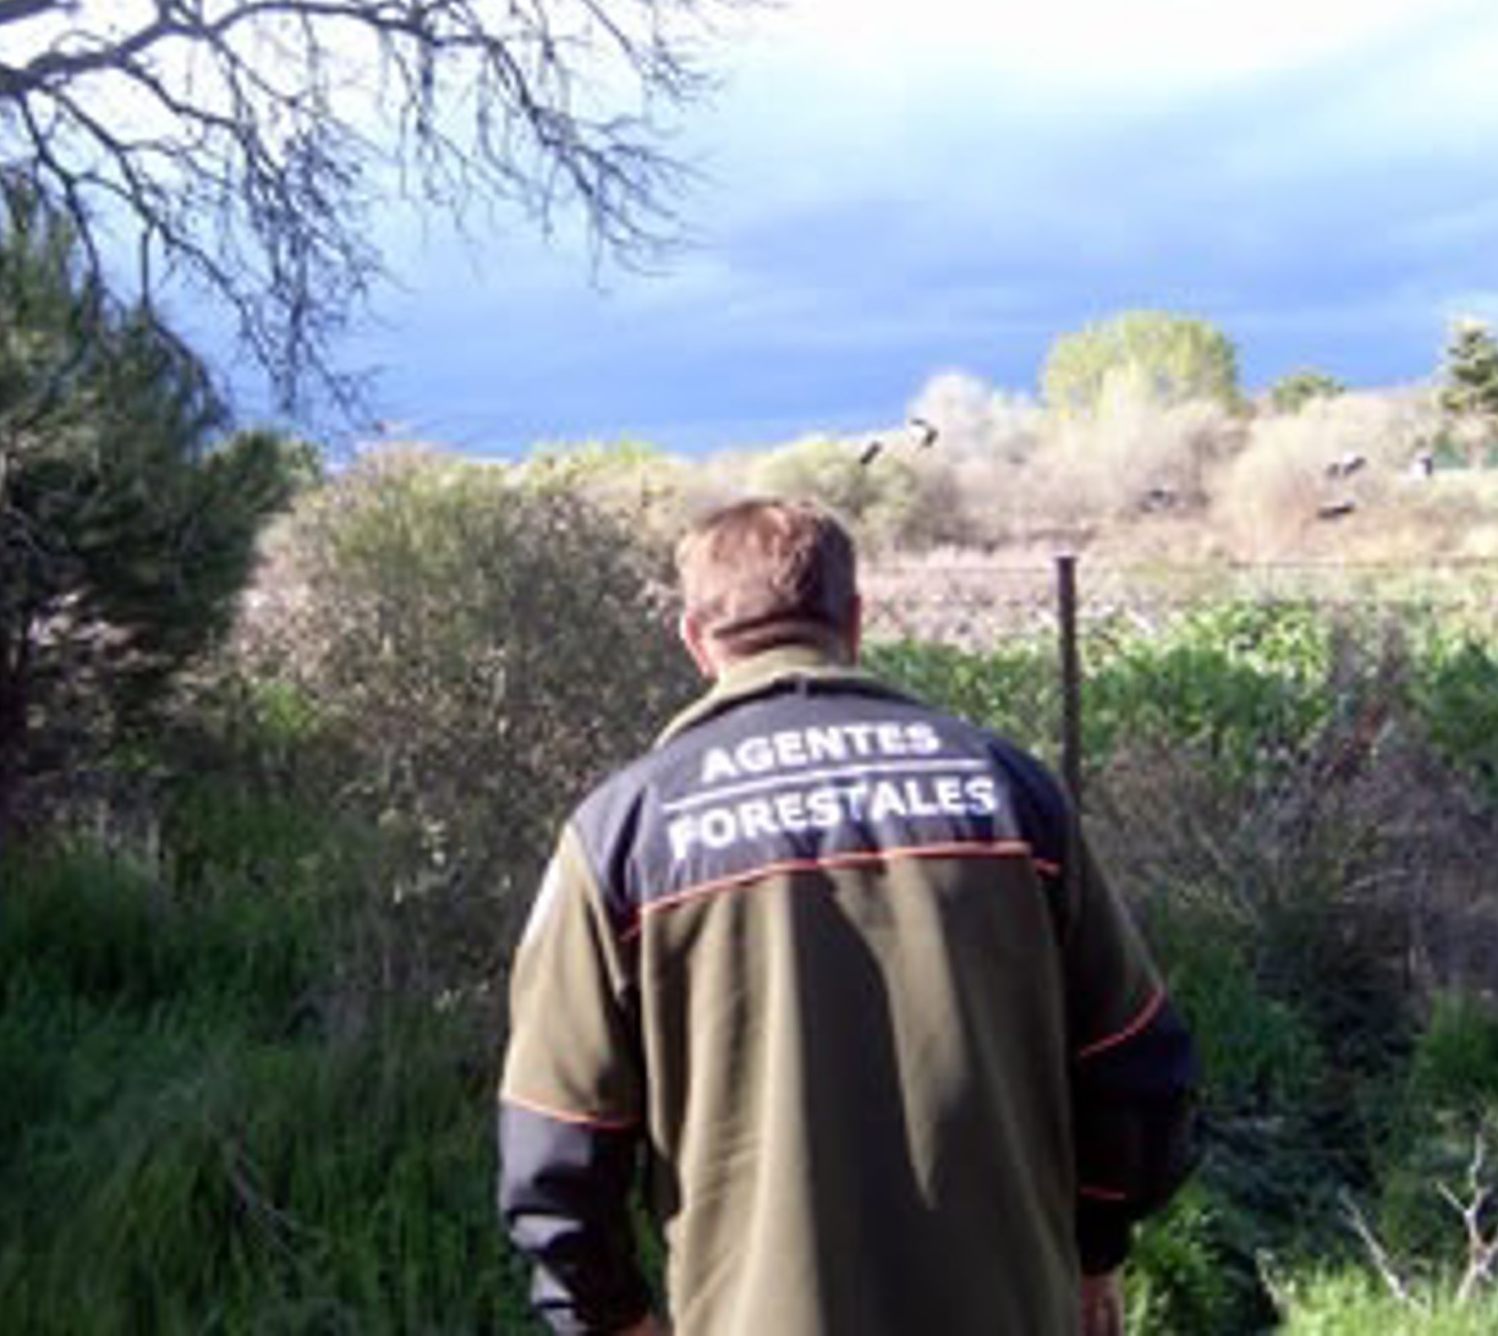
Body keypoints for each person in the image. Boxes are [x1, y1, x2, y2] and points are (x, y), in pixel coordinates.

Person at [497, 499, 1198, 1335]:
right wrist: (1095, 1247)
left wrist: (610, 1317)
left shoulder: (621, 832)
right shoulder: (1010, 790)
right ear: (855, 621)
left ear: (696, 640)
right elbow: (1140, 1065)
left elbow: (556, 1146)